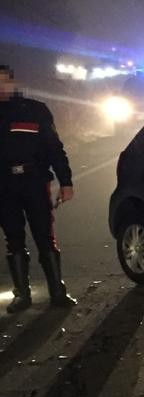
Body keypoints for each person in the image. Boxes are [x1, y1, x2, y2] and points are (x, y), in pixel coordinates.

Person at [0, 65, 76, 312]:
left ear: (13, 83)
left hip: (34, 181)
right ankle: (22, 294)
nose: (2, 87)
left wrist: (65, 182)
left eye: (5, 81)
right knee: (13, 239)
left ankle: (57, 292)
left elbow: (55, 148)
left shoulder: (35, 110)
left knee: (45, 236)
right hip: (4, 185)